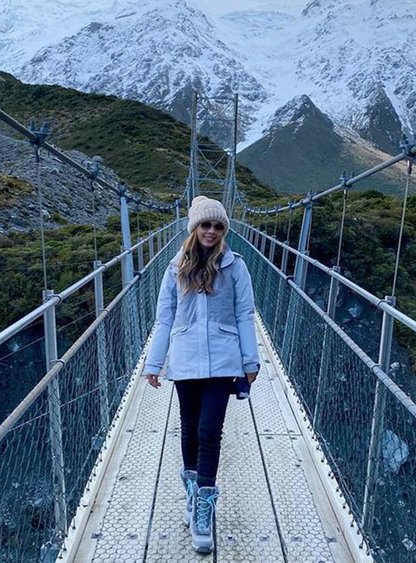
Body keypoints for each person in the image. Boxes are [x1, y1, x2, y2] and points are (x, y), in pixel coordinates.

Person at [142, 195, 259, 554]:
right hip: (186, 358)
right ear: (194, 228)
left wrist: (250, 362)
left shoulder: (236, 266)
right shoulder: (174, 269)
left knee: (210, 431)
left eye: (218, 226)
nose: (211, 231)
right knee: (190, 428)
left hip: (223, 360)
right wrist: (153, 362)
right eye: (205, 225)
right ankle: (192, 494)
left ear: (224, 230)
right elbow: (164, 318)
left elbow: (245, 314)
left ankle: (205, 507)